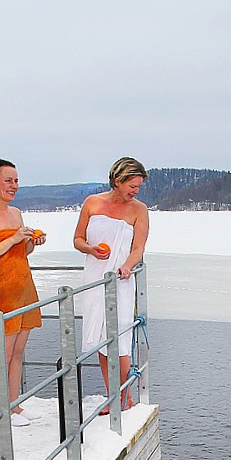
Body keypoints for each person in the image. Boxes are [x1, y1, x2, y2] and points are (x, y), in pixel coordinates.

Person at [73, 157, 149, 414]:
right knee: (99, 337)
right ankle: (112, 396)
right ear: (118, 180)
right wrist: (91, 249)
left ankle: (126, 396)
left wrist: (128, 265)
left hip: (121, 279)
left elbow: (138, 247)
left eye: (138, 187)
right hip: (95, 277)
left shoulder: (139, 210)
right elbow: (77, 239)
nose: (135, 191)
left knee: (120, 337)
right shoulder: (92, 203)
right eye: (132, 186)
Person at [0, 159, 44, 427]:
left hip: (23, 284)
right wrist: (13, 239)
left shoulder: (16, 213)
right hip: (1, 286)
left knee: (18, 350)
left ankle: (15, 404)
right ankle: (2, 409)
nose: (13, 186)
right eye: (8, 180)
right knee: (4, 351)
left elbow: (22, 252)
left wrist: (31, 242)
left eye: (16, 181)